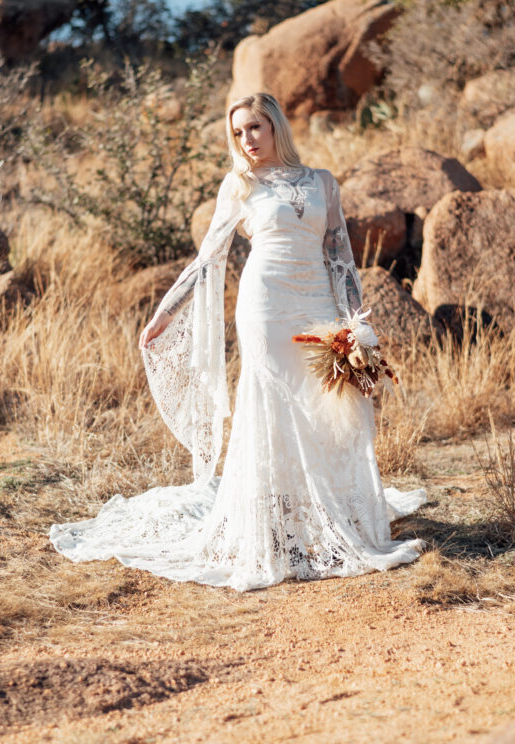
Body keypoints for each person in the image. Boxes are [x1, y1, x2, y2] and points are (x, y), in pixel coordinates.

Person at [49, 93, 426, 590]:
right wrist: (164, 313)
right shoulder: (239, 185)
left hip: (317, 303)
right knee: (273, 402)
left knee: (330, 404)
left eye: (254, 128)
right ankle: (274, 530)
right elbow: (207, 258)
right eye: (238, 133)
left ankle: (331, 516)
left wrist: (354, 321)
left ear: (275, 127)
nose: (246, 140)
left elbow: (339, 256)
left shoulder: (322, 183)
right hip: (265, 304)